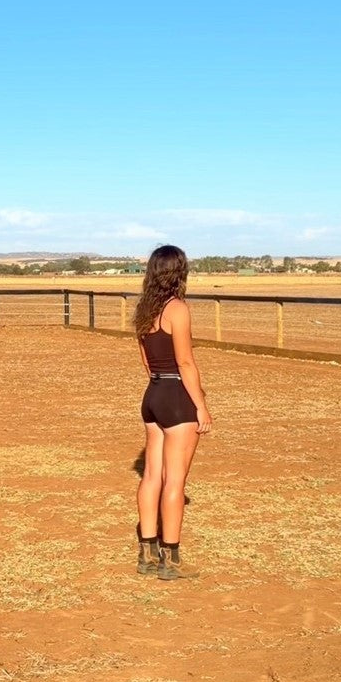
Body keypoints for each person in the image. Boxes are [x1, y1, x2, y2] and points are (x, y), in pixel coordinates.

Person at [134, 245, 212, 580]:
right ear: (180, 272)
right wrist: (202, 406)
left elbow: (146, 361)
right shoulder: (177, 308)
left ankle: (147, 554)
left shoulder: (144, 310)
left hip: (152, 394)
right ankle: (171, 561)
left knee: (152, 475)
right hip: (177, 398)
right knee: (175, 481)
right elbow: (185, 362)